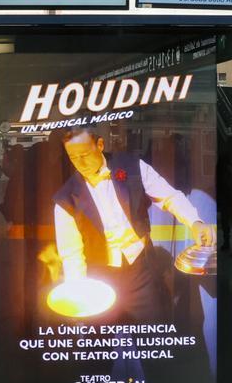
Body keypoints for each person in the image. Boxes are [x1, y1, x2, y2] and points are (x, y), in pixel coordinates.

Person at [52, 125, 214, 323]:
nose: (81, 163)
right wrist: (79, 295)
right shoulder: (65, 199)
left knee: (154, 337)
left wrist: (195, 222)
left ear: (100, 144)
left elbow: (169, 196)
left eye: (85, 154)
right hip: (97, 278)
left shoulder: (133, 167)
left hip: (140, 271)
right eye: (73, 157)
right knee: (99, 347)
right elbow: (71, 254)